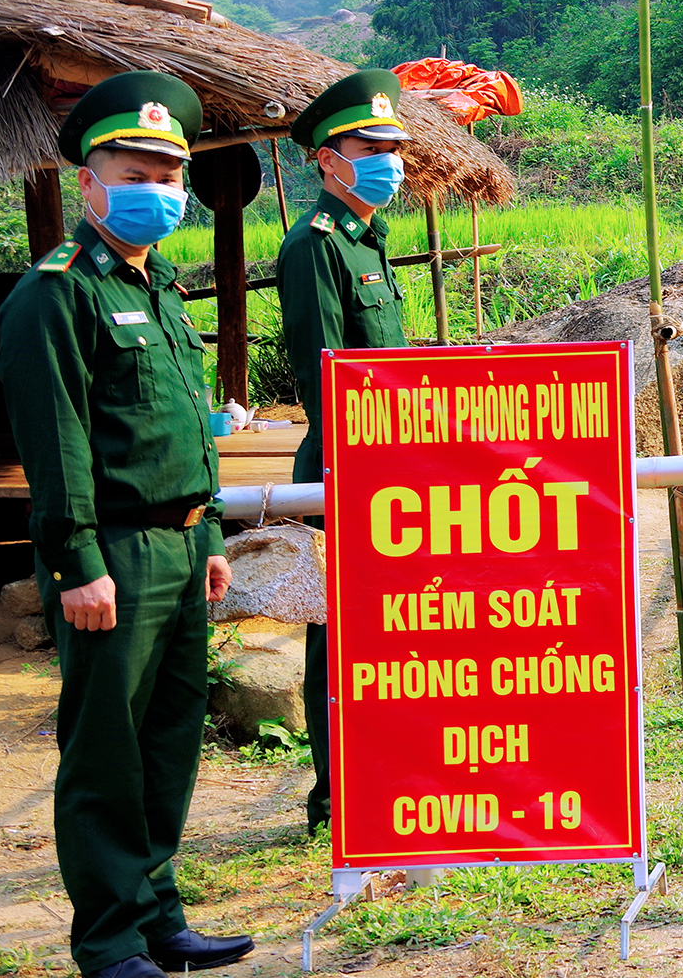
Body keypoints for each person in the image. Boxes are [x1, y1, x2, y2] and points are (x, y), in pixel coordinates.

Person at [0, 71, 255, 978]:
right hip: (113, 552)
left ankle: (157, 917)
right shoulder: (54, 294)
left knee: (168, 740)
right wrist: (76, 563)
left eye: (168, 171)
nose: (157, 187)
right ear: (89, 181)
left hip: (183, 547)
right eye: (135, 168)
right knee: (106, 749)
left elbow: (190, 424)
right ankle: (108, 942)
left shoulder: (163, 292)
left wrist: (213, 535)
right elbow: (57, 441)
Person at [275, 68, 410, 834]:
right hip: (342, 468)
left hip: (389, 468)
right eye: (370, 145)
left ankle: (381, 770)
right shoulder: (315, 246)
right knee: (339, 636)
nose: (388, 158)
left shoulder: (368, 242)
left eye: (393, 145)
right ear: (329, 159)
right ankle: (336, 791)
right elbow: (327, 376)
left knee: (386, 629)